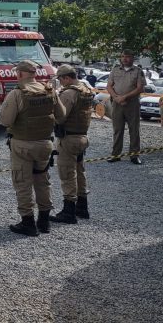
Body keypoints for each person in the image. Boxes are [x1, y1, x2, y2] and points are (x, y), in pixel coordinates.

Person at [0, 60, 65, 236]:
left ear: (20, 74)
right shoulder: (49, 90)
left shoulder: (17, 93)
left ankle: (27, 222)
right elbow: (61, 115)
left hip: (22, 145)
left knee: (22, 183)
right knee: (43, 181)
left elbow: (5, 120)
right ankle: (44, 221)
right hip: (45, 144)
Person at [50, 65, 93, 224]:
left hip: (68, 139)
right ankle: (82, 208)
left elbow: (60, 117)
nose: (60, 83)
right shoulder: (85, 89)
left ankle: (68, 212)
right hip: (82, 136)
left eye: (60, 80)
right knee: (80, 172)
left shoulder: (68, 93)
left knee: (67, 174)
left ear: (66, 78)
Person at [107, 49, 146, 164]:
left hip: (132, 104)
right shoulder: (115, 70)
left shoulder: (138, 71)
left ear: (133, 58)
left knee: (134, 130)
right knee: (117, 130)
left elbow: (140, 88)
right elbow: (109, 86)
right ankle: (115, 154)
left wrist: (124, 97)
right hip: (117, 104)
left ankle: (134, 155)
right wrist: (116, 98)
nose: (124, 58)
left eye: (128, 56)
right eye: (123, 56)